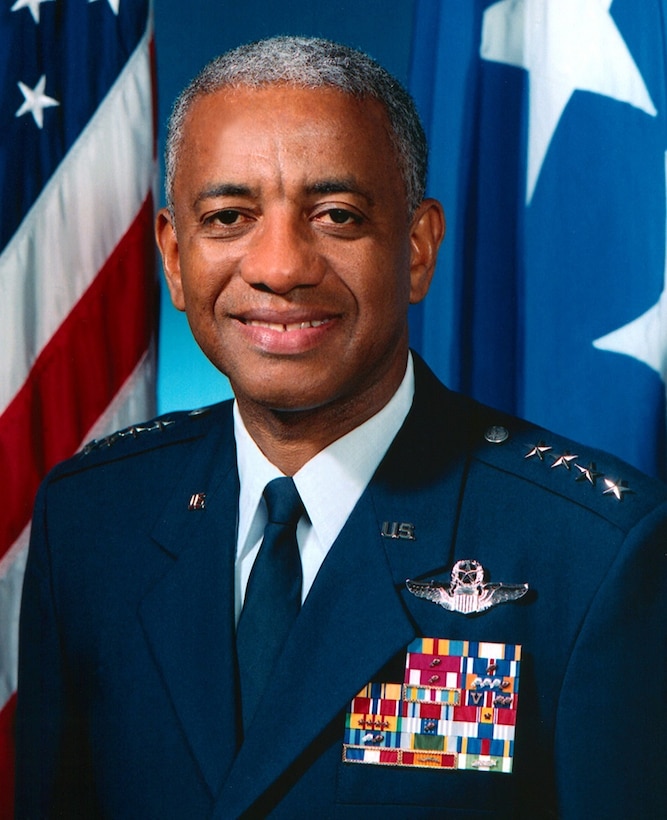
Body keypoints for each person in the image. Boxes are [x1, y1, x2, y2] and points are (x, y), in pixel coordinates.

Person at [15, 35, 667, 819]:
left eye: (336, 215)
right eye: (228, 216)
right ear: (175, 258)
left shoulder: (590, 550)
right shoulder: (91, 519)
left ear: (418, 247)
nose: (281, 266)